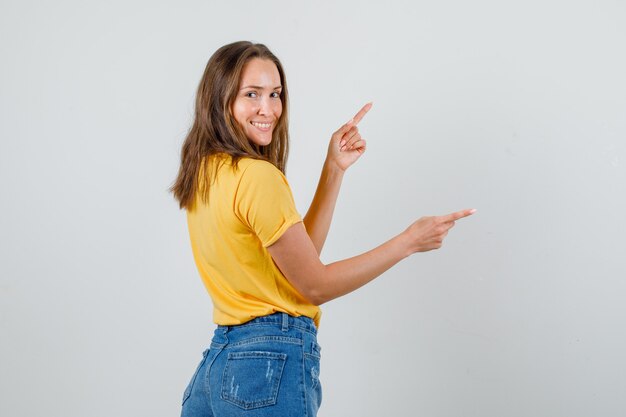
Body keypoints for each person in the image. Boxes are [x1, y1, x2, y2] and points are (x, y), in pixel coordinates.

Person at [170, 40, 475, 417]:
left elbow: (299, 263)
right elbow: (314, 285)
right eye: (252, 94)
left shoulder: (204, 173)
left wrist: (333, 170)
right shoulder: (256, 177)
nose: (268, 109)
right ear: (220, 101)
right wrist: (409, 242)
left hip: (216, 368)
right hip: (266, 368)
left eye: (275, 94)